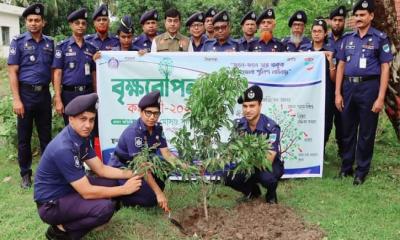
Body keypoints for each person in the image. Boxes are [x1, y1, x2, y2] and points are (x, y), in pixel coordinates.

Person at [34, 93, 143, 240]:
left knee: (111, 183)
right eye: (83, 119)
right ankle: (60, 231)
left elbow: (101, 169)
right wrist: (124, 189)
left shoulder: (80, 136)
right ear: (71, 119)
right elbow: (86, 192)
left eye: (91, 120)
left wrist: (133, 173)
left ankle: (76, 219)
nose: (88, 125)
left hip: (68, 189)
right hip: (51, 205)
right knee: (105, 208)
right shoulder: (64, 148)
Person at [335, 0, 393, 185]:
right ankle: (346, 167)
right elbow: (341, 66)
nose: (358, 18)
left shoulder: (380, 38)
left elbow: (385, 68)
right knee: (347, 130)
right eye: (356, 15)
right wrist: (338, 93)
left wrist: (381, 97)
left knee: (366, 132)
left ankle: (361, 171)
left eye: (362, 15)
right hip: (348, 88)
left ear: (371, 16)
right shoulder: (348, 39)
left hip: (369, 88)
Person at [7, 3, 53, 189]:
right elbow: (12, 72)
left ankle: (48, 173)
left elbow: (55, 69)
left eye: (37, 20)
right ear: (26, 22)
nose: (33, 23)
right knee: (24, 138)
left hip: (43, 95)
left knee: (46, 137)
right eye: (30, 20)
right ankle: (25, 174)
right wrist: (17, 99)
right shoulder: (18, 42)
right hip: (25, 95)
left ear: (43, 22)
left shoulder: (50, 43)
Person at [107, 91, 179, 208]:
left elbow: (167, 154)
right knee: (150, 200)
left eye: (156, 114)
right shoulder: (134, 132)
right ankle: (121, 196)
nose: (152, 117)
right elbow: (142, 167)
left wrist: (185, 166)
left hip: (141, 167)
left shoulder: (157, 129)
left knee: (166, 165)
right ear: (140, 111)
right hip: (123, 169)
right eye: (148, 113)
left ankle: (146, 191)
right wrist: (159, 193)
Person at [224, 85, 284, 204]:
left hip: (267, 165)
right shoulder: (239, 125)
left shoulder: (271, 128)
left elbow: (269, 158)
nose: (248, 110)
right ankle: (252, 192)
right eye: (245, 106)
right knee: (228, 177)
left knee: (267, 178)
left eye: (252, 106)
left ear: (260, 106)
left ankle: (271, 194)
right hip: (247, 164)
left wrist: (246, 159)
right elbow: (232, 149)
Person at [52, 8, 98, 125]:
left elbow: (94, 74)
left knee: (88, 127)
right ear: (71, 25)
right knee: (71, 127)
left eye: (83, 23)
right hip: (69, 94)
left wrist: (96, 93)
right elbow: (57, 73)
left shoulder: (92, 48)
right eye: (77, 23)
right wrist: (57, 98)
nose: (80, 26)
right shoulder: (62, 46)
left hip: (87, 92)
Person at [300, 19, 336, 151]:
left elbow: (334, 78)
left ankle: (320, 151)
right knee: (308, 122)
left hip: (326, 93)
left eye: (320, 31)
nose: (316, 34)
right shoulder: (304, 51)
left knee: (326, 123)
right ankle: (307, 150)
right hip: (308, 94)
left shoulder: (331, 51)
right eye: (314, 31)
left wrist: (331, 61)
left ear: (325, 33)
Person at [327, 5, 347, 157]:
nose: (338, 23)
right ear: (330, 21)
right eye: (335, 20)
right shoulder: (323, 40)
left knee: (342, 123)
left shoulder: (349, 40)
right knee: (325, 121)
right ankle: (320, 151)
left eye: (340, 20)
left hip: (345, 89)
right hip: (325, 88)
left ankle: (343, 151)